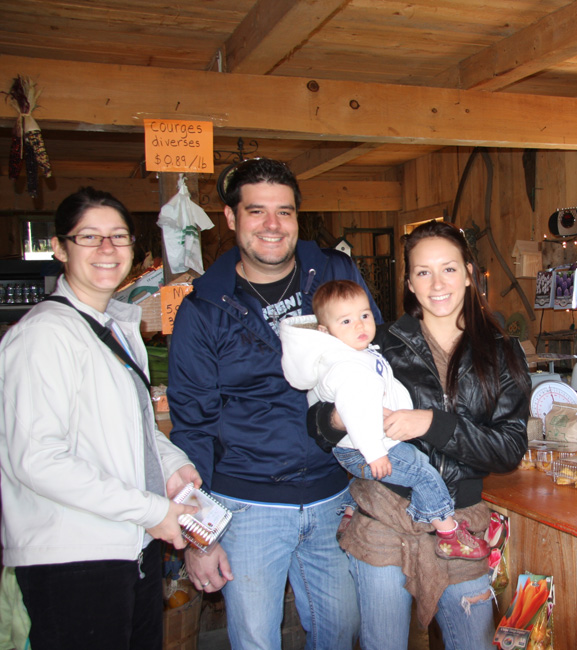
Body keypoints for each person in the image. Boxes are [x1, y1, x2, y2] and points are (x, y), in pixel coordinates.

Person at [167, 159, 376, 649]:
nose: (272, 225)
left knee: (341, 632)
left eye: (284, 211)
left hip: (334, 495)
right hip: (246, 504)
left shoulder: (333, 271)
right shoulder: (203, 307)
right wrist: (199, 536)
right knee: (255, 642)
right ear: (230, 217)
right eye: (256, 211)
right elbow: (192, 426)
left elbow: (374, 355)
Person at [308, 219, 530, 650]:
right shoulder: (377, 344)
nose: (437, 283)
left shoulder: (502, 350)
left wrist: (432, 423)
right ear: (409, 282)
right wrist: (342, 417)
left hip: (460, 527)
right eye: (423, 272)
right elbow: (316, 424)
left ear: (469, 273)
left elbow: (509, 449)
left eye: (449, 269)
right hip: (385, 518)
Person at [0, 187, 200, 650]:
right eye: (89, 236)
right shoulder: (44, 335)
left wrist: (171, 465)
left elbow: (133, 426)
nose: (107, 248)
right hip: (73, 558)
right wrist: (152, 511)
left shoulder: (112, 327)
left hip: (129, 547)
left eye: (118, 236)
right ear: (60, 248)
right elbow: (38, 459)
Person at [280, 280, 490, 560]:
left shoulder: (356, 352)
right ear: (325, 331)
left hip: (363, 442)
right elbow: (353, 410)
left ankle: (351, 508)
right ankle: (447, 532)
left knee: (408, 469)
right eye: (346, 321)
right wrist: (374, 453)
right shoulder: (346, 365)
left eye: (364, 315)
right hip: (366, 447)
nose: (359, 325)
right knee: (422, 473)